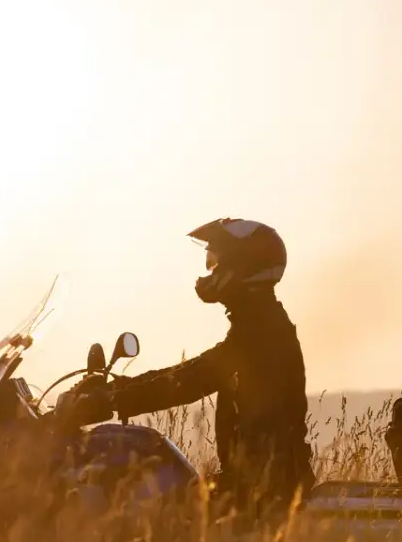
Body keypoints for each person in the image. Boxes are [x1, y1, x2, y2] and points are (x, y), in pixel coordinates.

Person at [81, 218, 316, 521]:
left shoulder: (263, 332)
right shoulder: (260, 324)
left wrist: (115, 399)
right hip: (259, 485)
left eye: (217, 262)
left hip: (265, 493)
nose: (210, 270)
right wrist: (118, 388)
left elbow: (190, 380)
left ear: (242, 267)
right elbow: (194, 370)